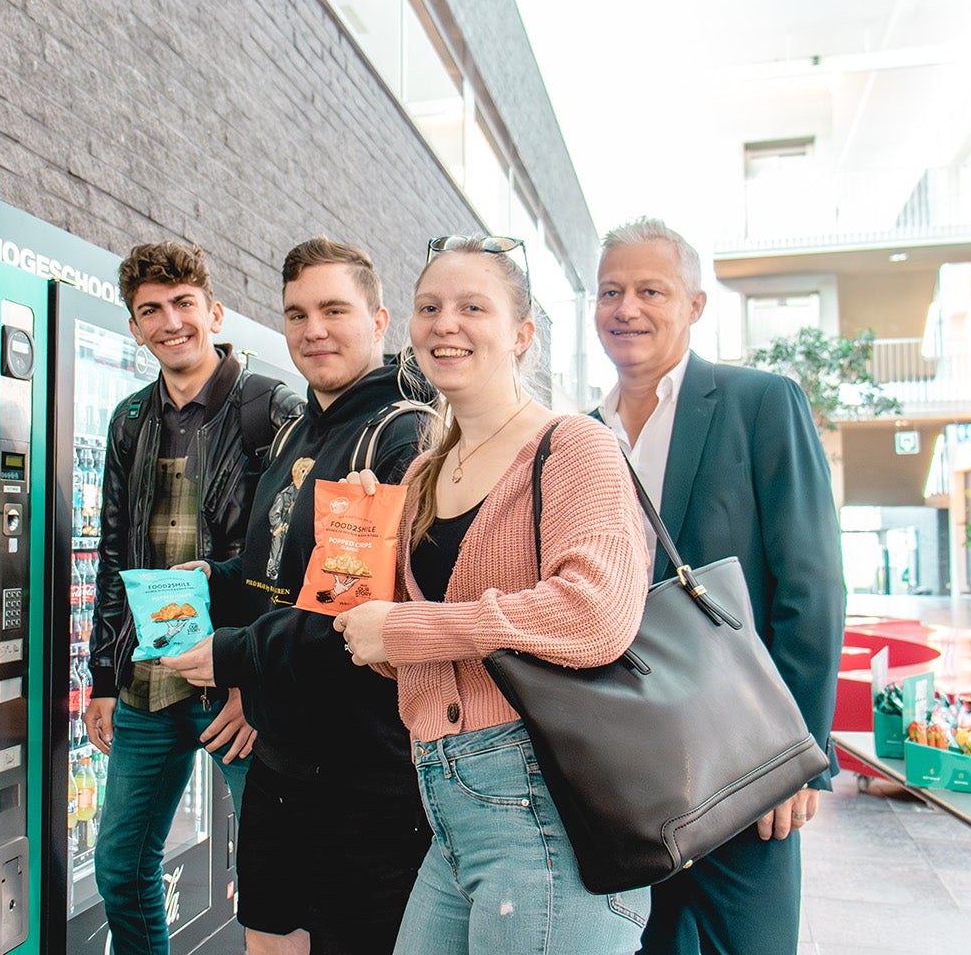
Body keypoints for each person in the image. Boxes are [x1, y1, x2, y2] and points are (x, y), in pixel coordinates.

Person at [334, 234, 651, 955]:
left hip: (544, 803)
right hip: (446, 810)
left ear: (521, 333)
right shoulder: (419, 476)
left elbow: (597, 615)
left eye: (472, 306)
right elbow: (400, 652)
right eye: (429, 307)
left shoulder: (574, 445)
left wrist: (406, 629)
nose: (445, 323)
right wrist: (358, 565)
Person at [161, 237, 431, 955]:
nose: (313, 330)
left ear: (378, 321)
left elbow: (349, 617)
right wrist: (213, 579)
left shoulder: (400, 440)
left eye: (334, 310)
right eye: (297, 313)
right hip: (280, 766)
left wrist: (232, 657)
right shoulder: (295, 432)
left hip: (367, 780)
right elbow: (275, 565)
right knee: (268, 942)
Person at [591, 217, 845, 955]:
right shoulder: (578, 432)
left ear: (695, 305)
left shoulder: (759, 403)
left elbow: (812, 586)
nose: (626, 308)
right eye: (611, 291)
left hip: (744, 759)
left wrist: (798, 759)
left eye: (650, 290)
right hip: (627, 775)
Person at [84, 240, 302, 955]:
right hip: (151, 675)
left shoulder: (271, 410)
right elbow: (116, 554)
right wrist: (103, 680)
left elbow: (294, 558)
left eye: (183, 304)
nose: (170, 321)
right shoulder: (128, 420)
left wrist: (256, 680)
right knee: (120, 866)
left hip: (236, 678)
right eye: (151, 310)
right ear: (134, 326)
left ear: (213, 310)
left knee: (278, 872)